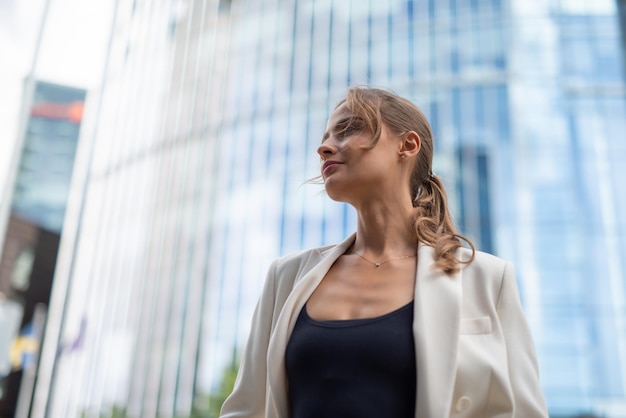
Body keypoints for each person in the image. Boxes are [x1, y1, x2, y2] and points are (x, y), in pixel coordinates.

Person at [219, 86, 548, 417]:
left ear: (407, 146)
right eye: (326, 136)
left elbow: (525, 411)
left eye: (348, 129)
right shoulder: (287, 277)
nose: (324, 147)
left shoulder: (485, 278)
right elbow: (246, 409)